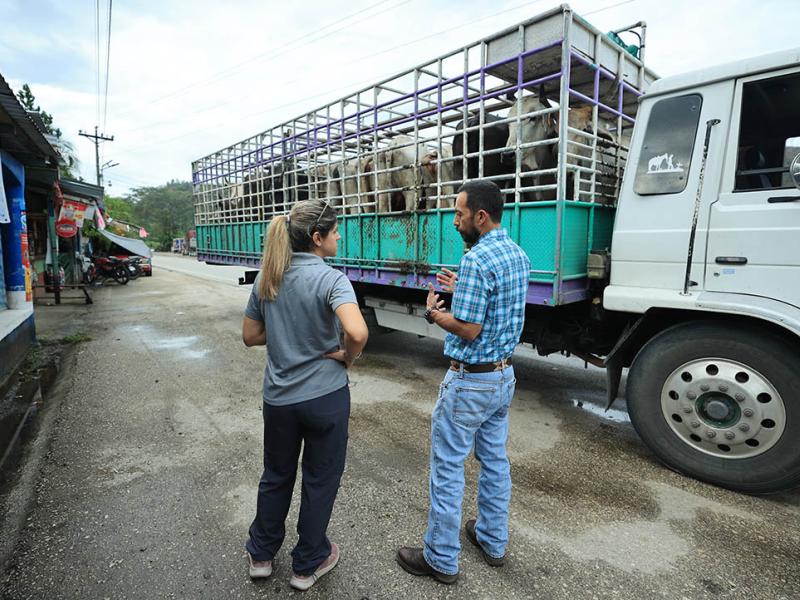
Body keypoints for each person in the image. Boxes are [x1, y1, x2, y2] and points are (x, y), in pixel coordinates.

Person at [396, 180, 530, 583]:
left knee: (448, 468)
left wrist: (434, 314)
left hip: (471, 381)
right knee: (495, 462)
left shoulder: (476, 259)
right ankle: (492, 539)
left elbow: (469, 329)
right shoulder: (517, 255)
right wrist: (463, 287)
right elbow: (497, 302)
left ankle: (440, 558)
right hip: (503, 377)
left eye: (459, 213)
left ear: (480, 216)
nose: (455, 221)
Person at [242, 199, 368, 591]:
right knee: (320, 478)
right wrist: (347, 356)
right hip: (325, 397)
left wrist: (285, 333)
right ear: (316, 238)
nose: (339, 237)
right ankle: (308, 563)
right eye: (335, 231)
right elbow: (357, 332)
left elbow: (250, 336)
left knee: (276, 474)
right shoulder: (332, 280)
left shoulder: (268, 277)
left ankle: (261, 555)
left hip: (279, 399)